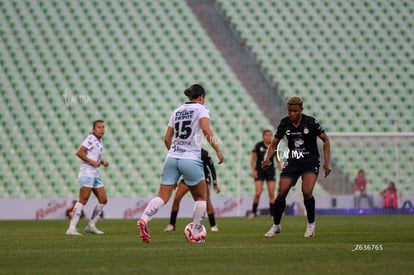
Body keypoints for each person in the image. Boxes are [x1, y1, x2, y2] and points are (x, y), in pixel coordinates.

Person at [137, 84, 224, 243]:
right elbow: (205, 129)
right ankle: (196, 234)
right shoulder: (201, 108)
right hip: (190, 158)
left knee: (162, 196)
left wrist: (175, 153)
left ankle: (144, 219)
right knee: (201, 197)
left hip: (171, 157)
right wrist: (217, 149)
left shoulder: (176, 111)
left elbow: (166, 138)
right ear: (201, 97)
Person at [262, 96, 331, 238]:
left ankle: (311, 225)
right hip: (293, 161)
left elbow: (325, 140)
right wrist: (267, 158)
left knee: (306, 191)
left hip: (310, 161)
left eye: (295, 111)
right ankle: (276, 226)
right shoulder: (284, 123)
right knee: (281, 192)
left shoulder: (310, 122)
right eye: (290, 111)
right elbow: (274, 144)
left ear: (301, 109)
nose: (292, 114)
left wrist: (326, 162)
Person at [66, 120, 109, 235]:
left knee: (103, 199)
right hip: (87, 173)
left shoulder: (99, 141)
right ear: (94, 129)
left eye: (103, 127)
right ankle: (71, 228)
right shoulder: (91, 138)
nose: (102, 129)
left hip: (95, 174)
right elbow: (79, 152)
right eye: (99, 127)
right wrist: (92, 162)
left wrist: (101, 162)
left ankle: (91, 225)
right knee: (83, 199)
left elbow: (93, 157)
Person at [164, 148, 220, 232]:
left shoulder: (204, 153)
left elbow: (211, 167)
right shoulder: (184, 152)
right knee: (177, 198)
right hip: (188, 177)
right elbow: (179, 167)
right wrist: (175, 180)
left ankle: (213, 225)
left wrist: (215, 183)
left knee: (206, 200)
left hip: (203, 177)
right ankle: (172, 224)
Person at [249, 129, 282, 219]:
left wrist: (282, 171)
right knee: (258, 192)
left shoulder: (274, 146)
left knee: (271, 193)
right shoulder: (258, 146)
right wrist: (253, 171)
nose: (269, 137)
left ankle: (272, 214)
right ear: (263, 136)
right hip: (259, 171)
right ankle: (253, 212)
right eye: (267, 135)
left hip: (270, 172)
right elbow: (252, 160)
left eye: (270, 135)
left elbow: (278, 160)